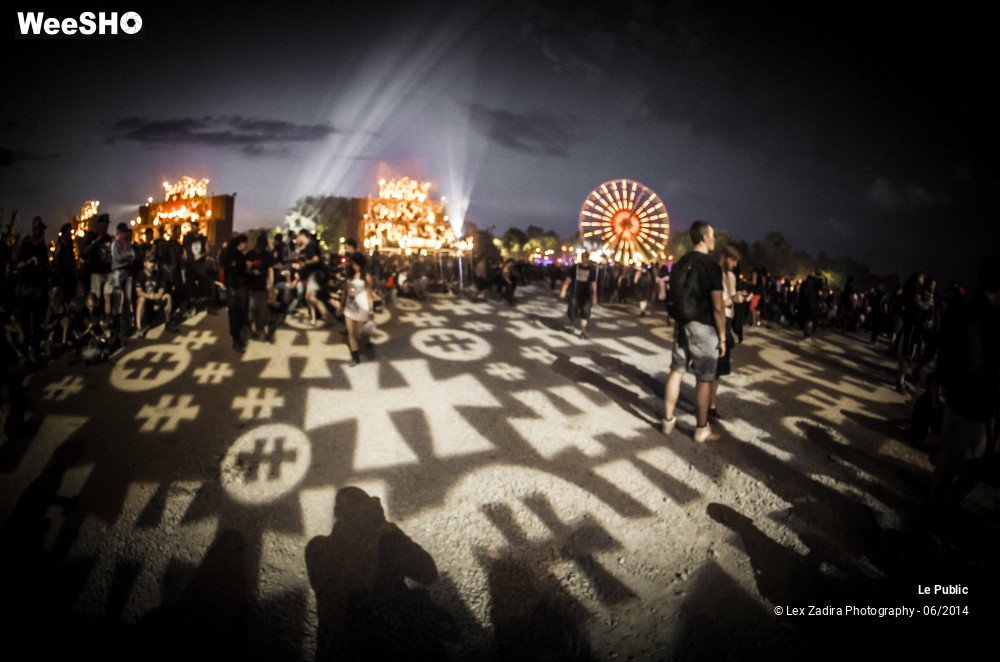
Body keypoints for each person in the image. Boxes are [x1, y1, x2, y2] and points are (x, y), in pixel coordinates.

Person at [928, 256, 999, 515]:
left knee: (945, 465)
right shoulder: (991, 319)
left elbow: (945, 349)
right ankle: (942, 512)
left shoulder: (964, 310)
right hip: (975, 405)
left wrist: (943, 384)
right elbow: (985, 366)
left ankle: (931, 514)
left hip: (955, 398)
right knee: (970, 469)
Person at [662, 221, 726, 443]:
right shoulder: (710, 265)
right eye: (713, 235)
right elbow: (718, 306)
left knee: (676, 371)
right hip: (703, 326)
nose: (715, 240)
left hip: (682, 322)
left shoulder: (681, 262)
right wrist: (723, 336)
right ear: (705, 237)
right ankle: (701, 428)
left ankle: (668, 421)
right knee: (704, 380)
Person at [708, 245, 741, 418]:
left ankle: (711, 404)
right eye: (733, 260)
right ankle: (704, 404)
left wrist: (735, 302)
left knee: (719, 369)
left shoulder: (732, 277)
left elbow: (730, 300)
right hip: (716, 320)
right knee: (710, 367)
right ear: (724, 257)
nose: (735, 264)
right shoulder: (715, 274)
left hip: (727, 320)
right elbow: (718, 303)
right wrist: (732, 300)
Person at [342, 252, 375, 366]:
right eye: (352, 263)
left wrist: (371, 312)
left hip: (361, 308)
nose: (353, 266)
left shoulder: (367, 277)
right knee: (350, 333)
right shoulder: (350, 275)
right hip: (349, 307)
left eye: (355, 263)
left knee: (357, 333)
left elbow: (369, 295)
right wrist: (341, 306)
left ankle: (364, 344)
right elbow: (345, 292)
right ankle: (355, 356)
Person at [559, 252, 598, 339]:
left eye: (586, 257)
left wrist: (595, 296)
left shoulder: (592, 269)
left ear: (588, 258)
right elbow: (568, 280)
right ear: (581, 258)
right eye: (583, 257)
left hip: (587, 295)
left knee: (585, 313)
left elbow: (593, 283)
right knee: (573, 311)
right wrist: (563, 291)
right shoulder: (575, 268)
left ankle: (583, 332)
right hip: (575, 293)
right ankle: (572, 326)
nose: (584, 259)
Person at [222, 234, 250, 353]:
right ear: (241, 243)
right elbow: (231, 271)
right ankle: (236, 339)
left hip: (238, 287)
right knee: (235, 312)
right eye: (245, 243)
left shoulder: (237, 255)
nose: (247, 245)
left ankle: (237, 336)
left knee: (239, 312)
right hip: (234, 288)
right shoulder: (233, 255)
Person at [81, 213, 113, 315]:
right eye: (104, 224)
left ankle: (107, 320)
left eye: (107, 224)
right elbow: (84, 251)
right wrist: (95, 242)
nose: (106, 226)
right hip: (96, 272)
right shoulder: (93, 237)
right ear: (100, 224)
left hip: (108, 272)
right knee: (96, 297)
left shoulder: (108, 238)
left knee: (107, 296)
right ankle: (94, 319)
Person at [110, 222, 137, 337]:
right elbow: (119, 258)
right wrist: (129, 256)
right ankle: (117, 328)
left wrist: (128, 256)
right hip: (118, 272)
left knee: (128, 300)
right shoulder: (116, 243)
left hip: (127, 272)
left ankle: (126, 327)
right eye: (124, 231)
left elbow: (133, 256)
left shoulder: (126, 243)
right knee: (118, 302)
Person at [135, 256, 174, 334]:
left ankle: (168, 323)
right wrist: (151, 296)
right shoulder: (140, 275)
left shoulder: (157, 274)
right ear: (145, 264)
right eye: (150, 262)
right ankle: (138, 328)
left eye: (153, 262)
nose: (152, 264)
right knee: (141, 299)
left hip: (155, 300)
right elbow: (139, 292)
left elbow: (161, 287)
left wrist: (159, 295)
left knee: (168, 296)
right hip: (146, 301)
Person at [246, 234, 274, 340]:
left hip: (262, 287)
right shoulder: (250, 254)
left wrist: (271, 287)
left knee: (263, 310)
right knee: (251, 310)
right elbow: (246, 268)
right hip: (251, 287)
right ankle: (253, 330)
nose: (262, 248)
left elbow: (270, 271)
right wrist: (252, 271)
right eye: (261, 246)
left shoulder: (267, 255)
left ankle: (265, 331)